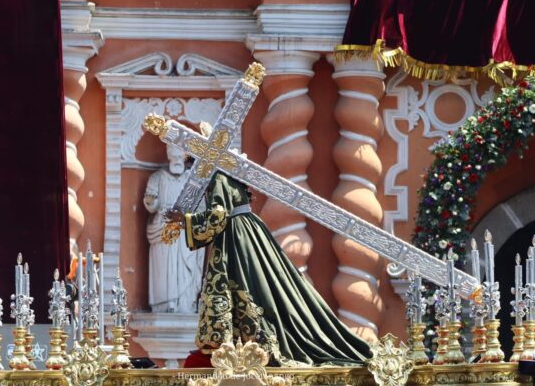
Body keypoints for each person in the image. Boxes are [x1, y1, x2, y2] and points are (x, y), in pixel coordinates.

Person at [164, 170, 371, 367]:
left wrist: (185, 220)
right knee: (256, 284)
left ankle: (244, 342)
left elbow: (218, 216)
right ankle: (236, 339)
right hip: (246, 231)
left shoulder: (218, 176)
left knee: (244, 283)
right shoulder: (227, 172)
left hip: (236, 235)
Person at [144, 144, 205, 313]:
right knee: (165, 268)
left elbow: (202, 209)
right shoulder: (157, 178)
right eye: (173, 156)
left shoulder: (193, 180)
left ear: (185, 157)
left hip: (185, 229)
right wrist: (151, 202)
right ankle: (165, 303)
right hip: (162, 227)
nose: (177, 160)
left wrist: (188, 218)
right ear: (168, 156)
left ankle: (186, 303)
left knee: (187, 266)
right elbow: (151, 204)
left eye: (180, 156)